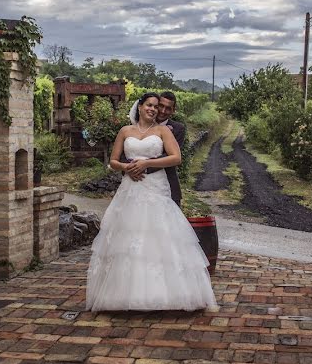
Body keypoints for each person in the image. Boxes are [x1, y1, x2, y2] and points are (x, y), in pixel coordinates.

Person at [86, 92, 216, 312]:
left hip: (156, 186)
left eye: (156, 106)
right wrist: (127, 167)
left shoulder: (163, 131)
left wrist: (145, 164)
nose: (153, 109)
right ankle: (122, 295)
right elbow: (114, 161)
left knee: (159, 235)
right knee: (129, 235)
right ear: (140, 106)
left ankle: (166, 295)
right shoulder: (125, 131)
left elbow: (176, 157)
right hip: (131, 187)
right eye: (149, 105)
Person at [126, 91, 185, 206]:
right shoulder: (135, 126)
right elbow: (126, 151)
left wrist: (144, 165)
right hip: (135, 182)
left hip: (166, 184)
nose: (163, 111)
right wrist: (129, 169)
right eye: (161, 106)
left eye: (168, 108)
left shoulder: (178, 129)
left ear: (173, 110)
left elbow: (170, 156)